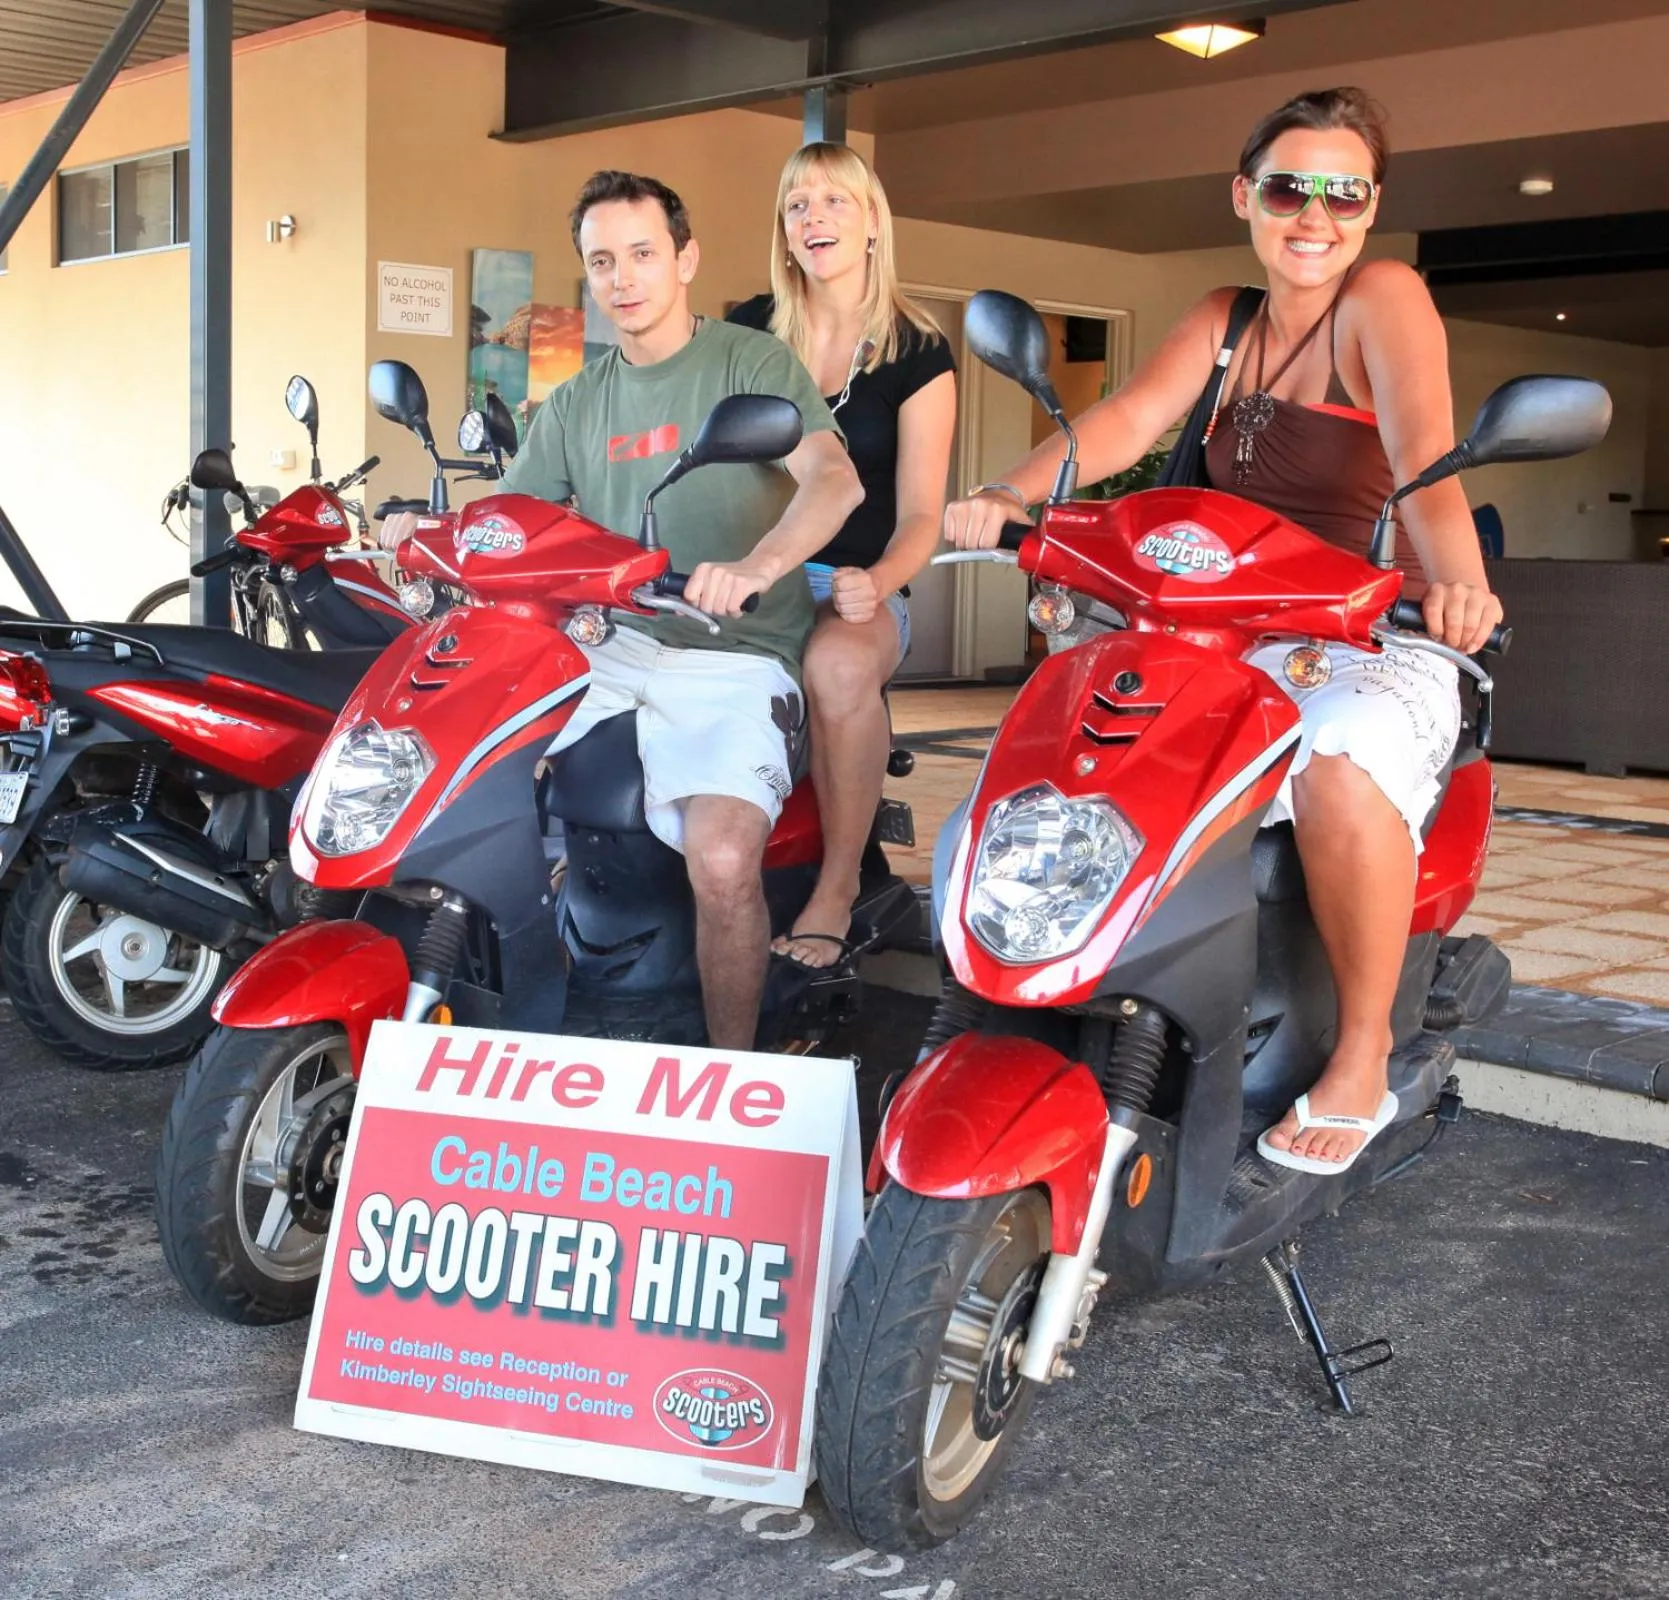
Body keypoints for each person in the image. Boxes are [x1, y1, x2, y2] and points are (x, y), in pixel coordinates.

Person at [943, 88, 1504, 1173]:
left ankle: (1360, 1050)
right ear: (1245, 194)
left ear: (1371, 208)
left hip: (1361, 633)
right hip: (1213, 627)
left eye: (1347, 193)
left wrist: (1460, 588)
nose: (1316, 214)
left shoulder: (1381, 297)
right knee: (1084, 750)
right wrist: (1008, 493)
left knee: (1338, 763)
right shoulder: (1225, 316)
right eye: (1291, 185)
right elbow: (1120, 423)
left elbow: (1426, 459)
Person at [388, 170, 861, 1049]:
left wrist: (756, 566)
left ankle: (730, 1074)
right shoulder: (574, 400)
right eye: (602, 262)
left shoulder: (747, 362)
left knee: (722, 862)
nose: (622, 280)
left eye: (642, 255)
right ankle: (515, 1029)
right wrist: (434, 534)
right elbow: (514, 525)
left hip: (734, 649)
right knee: (454, 780)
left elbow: (834, 479)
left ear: (684, 259)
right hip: (606, 645)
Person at [728, 142, 956, 969]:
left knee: (835, 667)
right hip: (755, 575)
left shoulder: (916, 351)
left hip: (854, 583)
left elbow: (924, 511)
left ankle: (837, 888)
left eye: (834, 202)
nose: (814, 218)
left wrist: (879, 582)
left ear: (870, 224)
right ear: (784, 233)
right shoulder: (749, 331)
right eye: (797, 205)